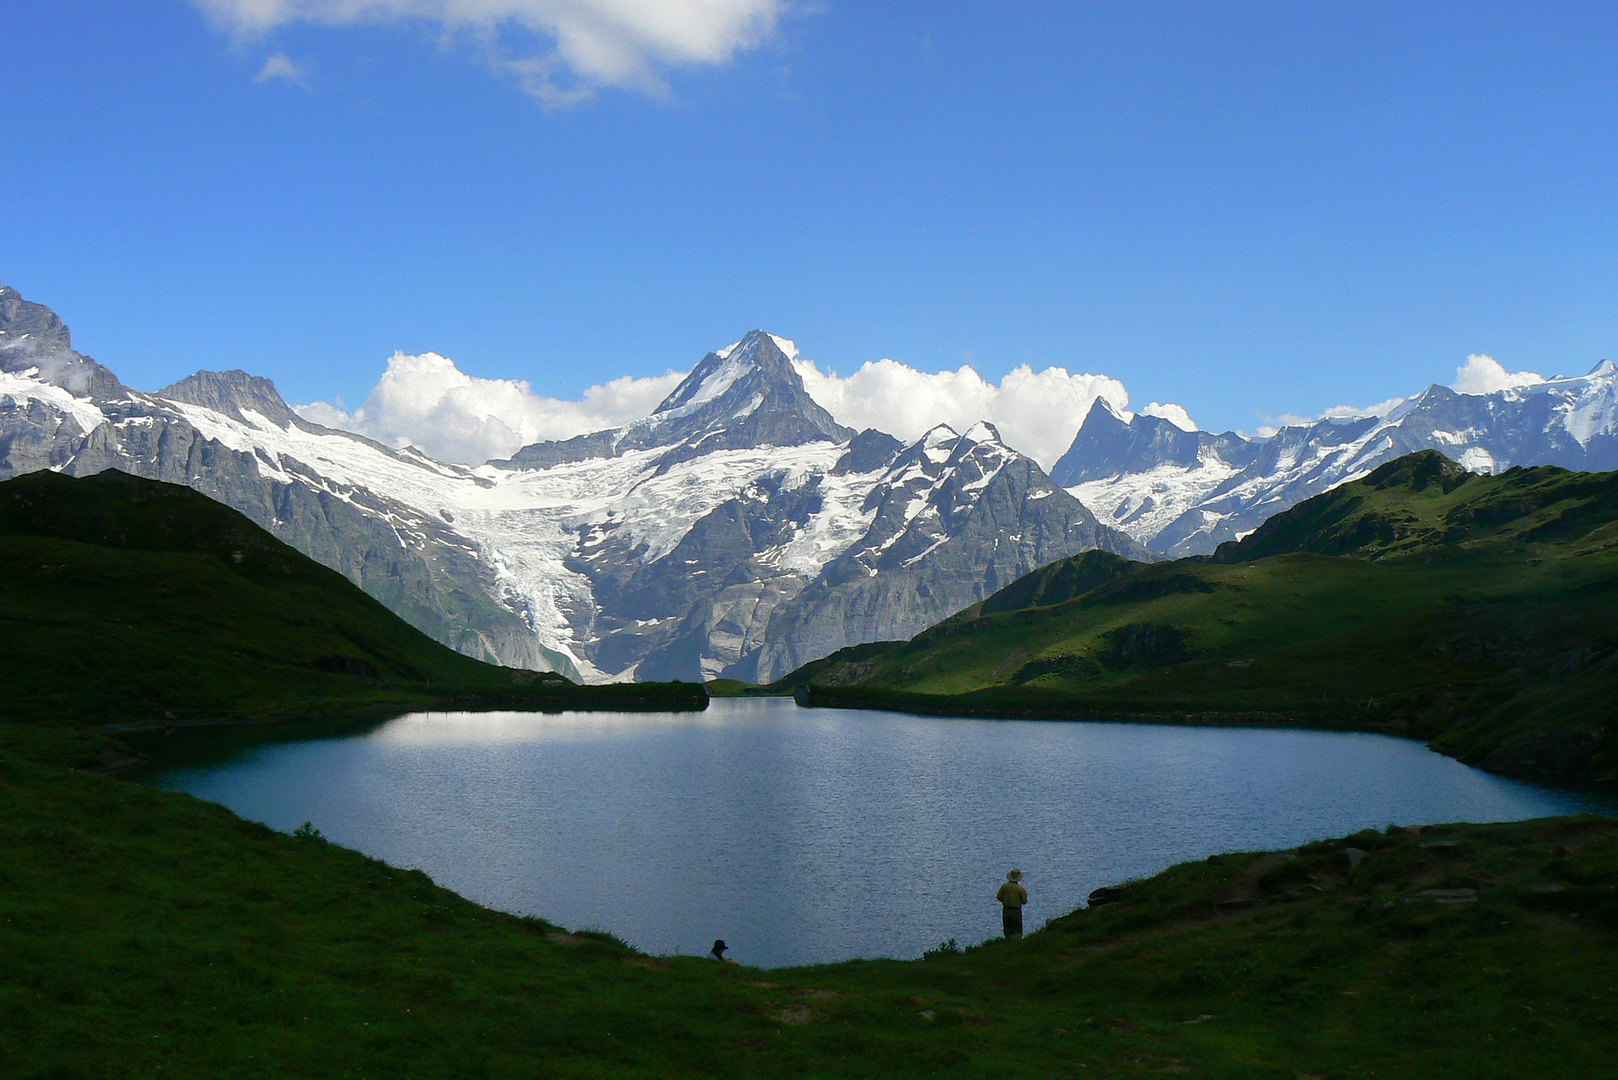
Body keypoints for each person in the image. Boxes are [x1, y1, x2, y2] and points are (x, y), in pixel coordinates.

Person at [996, 869, 1028, 939]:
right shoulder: (1020, 889)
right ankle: (1017, 944)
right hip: (1016, 910)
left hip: (1006, 910)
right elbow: (1024, 901)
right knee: (1017, 929)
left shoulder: (1004, 886)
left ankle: (1007, 943)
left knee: (1007, 929)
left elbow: (999, 897)